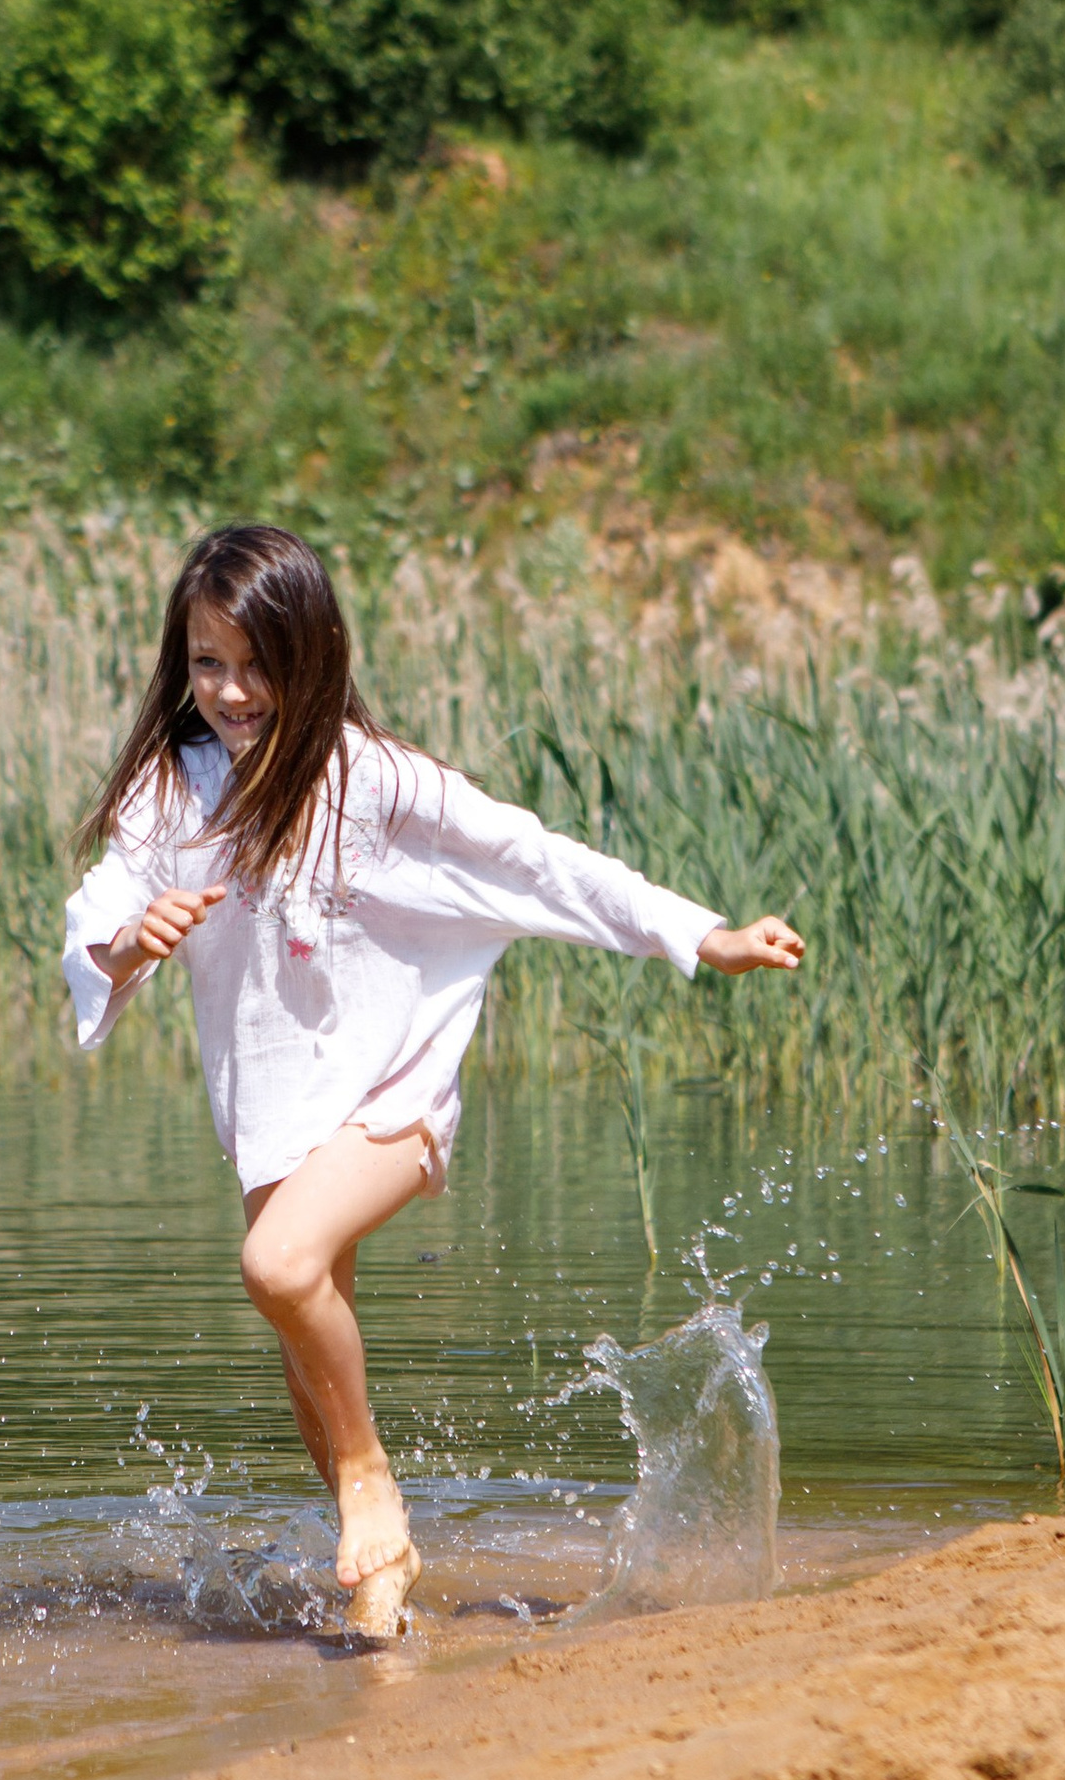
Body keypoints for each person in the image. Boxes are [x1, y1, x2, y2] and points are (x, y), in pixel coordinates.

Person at [63, 523, 805, 1639]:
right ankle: (380, 1591)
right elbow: (100, 912)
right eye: (206, 662)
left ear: (314, 653)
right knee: (307, 1364)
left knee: (277, 1263)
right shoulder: (174, 793)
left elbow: (535, 859)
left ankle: (371, 1485)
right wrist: (129, 944)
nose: (230, 689)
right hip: (274, 1116)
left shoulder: (375, 782)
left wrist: (701, 935)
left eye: (257, 663)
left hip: (392, 1097)